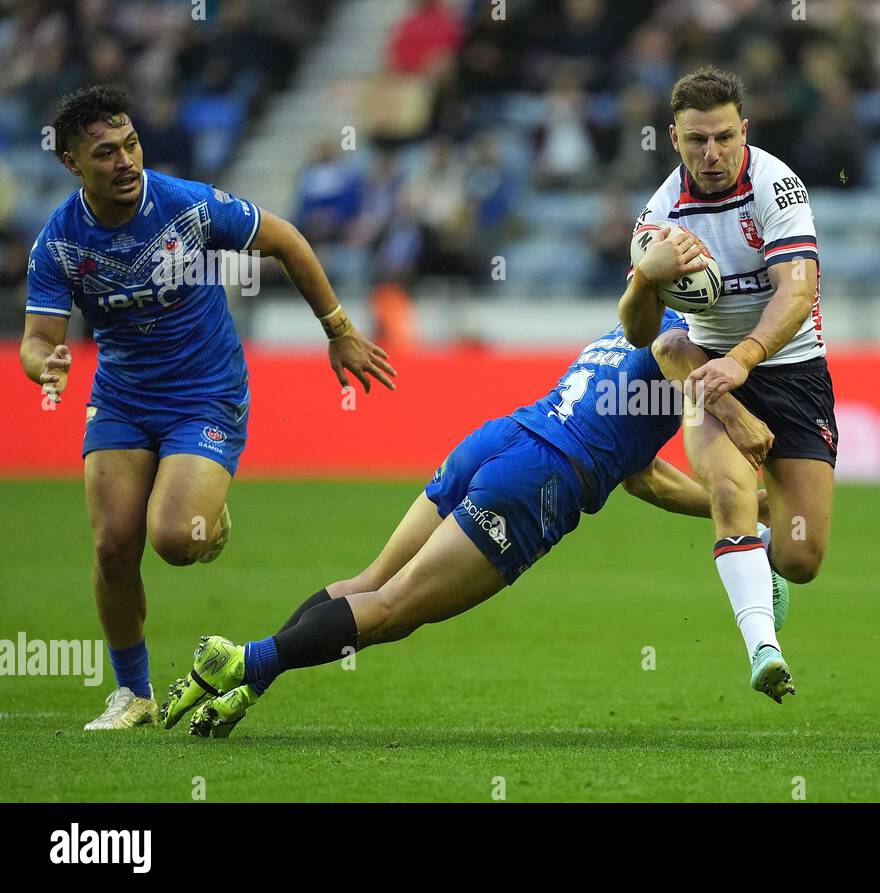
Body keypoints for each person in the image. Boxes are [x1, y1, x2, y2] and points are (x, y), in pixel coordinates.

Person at [158, 311, 787, 737]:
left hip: (498, 439)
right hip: (540, 481)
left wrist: (740, 510)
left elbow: (641, 475)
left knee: (371, 579)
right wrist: (735, 417)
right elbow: (680, 357)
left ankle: (243, 685)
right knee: (395, 607)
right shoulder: (688, 340)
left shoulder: (628, 327)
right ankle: (242, 659)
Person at [19, 85, 395, 730]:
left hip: (205, 393)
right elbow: (36, 339)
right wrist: (44, 365)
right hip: (121, 398)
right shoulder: (59, 241)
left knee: (174, 541)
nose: (126, 161)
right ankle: (132, 692)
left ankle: (208, 520)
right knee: (112, 545)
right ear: (72, 163)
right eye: (105, 152)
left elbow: (288, 240)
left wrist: (337, 329)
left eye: (131, 144)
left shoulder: (187, 208)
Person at [618, 66, 836, 703]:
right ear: (673, 138)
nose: (710, 154)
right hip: (706, 363)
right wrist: (643, 279)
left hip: (790, 366)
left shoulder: (777, 186)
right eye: (695, 141)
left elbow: (798, 290)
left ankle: (768, 543)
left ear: (744, 130)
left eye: (722, 138)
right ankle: (763, 649)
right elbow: (639, 332)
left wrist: (746, 357)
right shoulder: (660, 216)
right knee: (725, 487)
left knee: (802, 558)